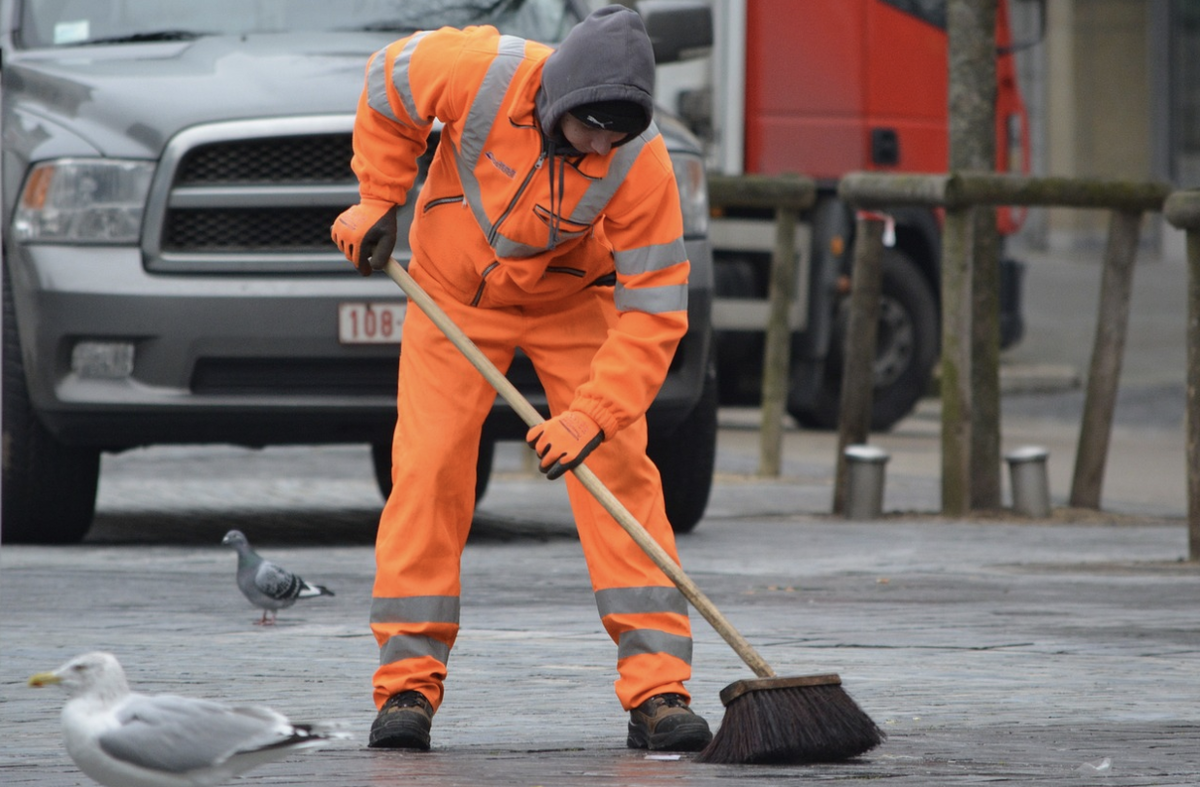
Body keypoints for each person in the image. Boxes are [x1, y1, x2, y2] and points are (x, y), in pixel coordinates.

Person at [331, 5, 711, 753]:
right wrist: (379, 195)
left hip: (574, 301)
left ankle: (658, 689)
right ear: (558, 98)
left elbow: (656, 311)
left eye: (618, 132)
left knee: (619, 470)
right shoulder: (475, 69)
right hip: (452, 296)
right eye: (591, 129)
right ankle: (407, 685)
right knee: (430, 468)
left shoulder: (643, 161)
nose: (603, 145)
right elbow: (386, 85)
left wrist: (593, 414)